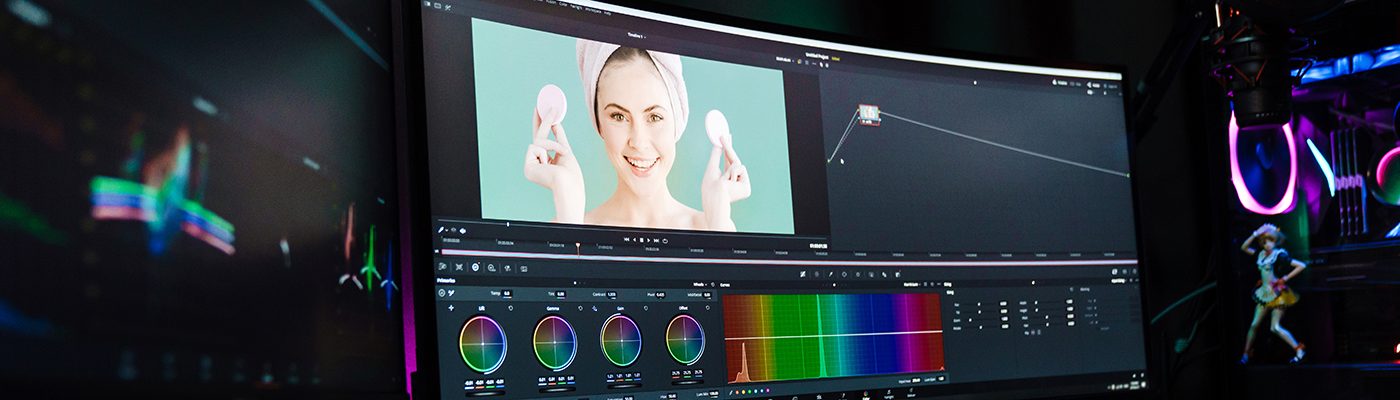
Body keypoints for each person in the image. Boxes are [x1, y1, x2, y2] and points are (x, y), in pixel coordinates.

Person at [524, 40, 750, 231]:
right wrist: (568, 207)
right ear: (599, 123)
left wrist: (720, 220)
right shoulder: (569, 223)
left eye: (654, 117)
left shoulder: (713, 227)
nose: (639, 142)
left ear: (677, 119)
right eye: (618, 117)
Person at [1238, 223, 1307, 364]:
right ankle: (1245, 355)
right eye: (1264, 241)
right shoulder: (1261, 254)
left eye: (1270, 241)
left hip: (1277, 294)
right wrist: (1256, 233)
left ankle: (1299, 350)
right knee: (1253, 325)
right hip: (1263, 294)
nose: (1267, 244)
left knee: (1275, 327)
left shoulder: (1279, 255)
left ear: (1275, 241)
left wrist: (1285, 278)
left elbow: (1301, 265)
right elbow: (1243, 247)